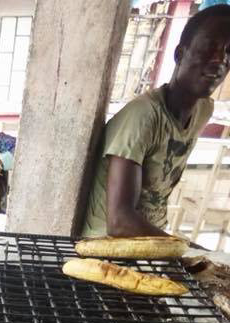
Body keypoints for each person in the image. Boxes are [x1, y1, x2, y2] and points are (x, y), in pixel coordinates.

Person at [82, 6, 230, 237]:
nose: (220, 60)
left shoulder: (203, 109)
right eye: (209, 48)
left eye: (228, 52)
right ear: (179, 54)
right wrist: (182, 250)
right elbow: (119, 222)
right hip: (108, 246)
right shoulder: (143, 117)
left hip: (150, 241)